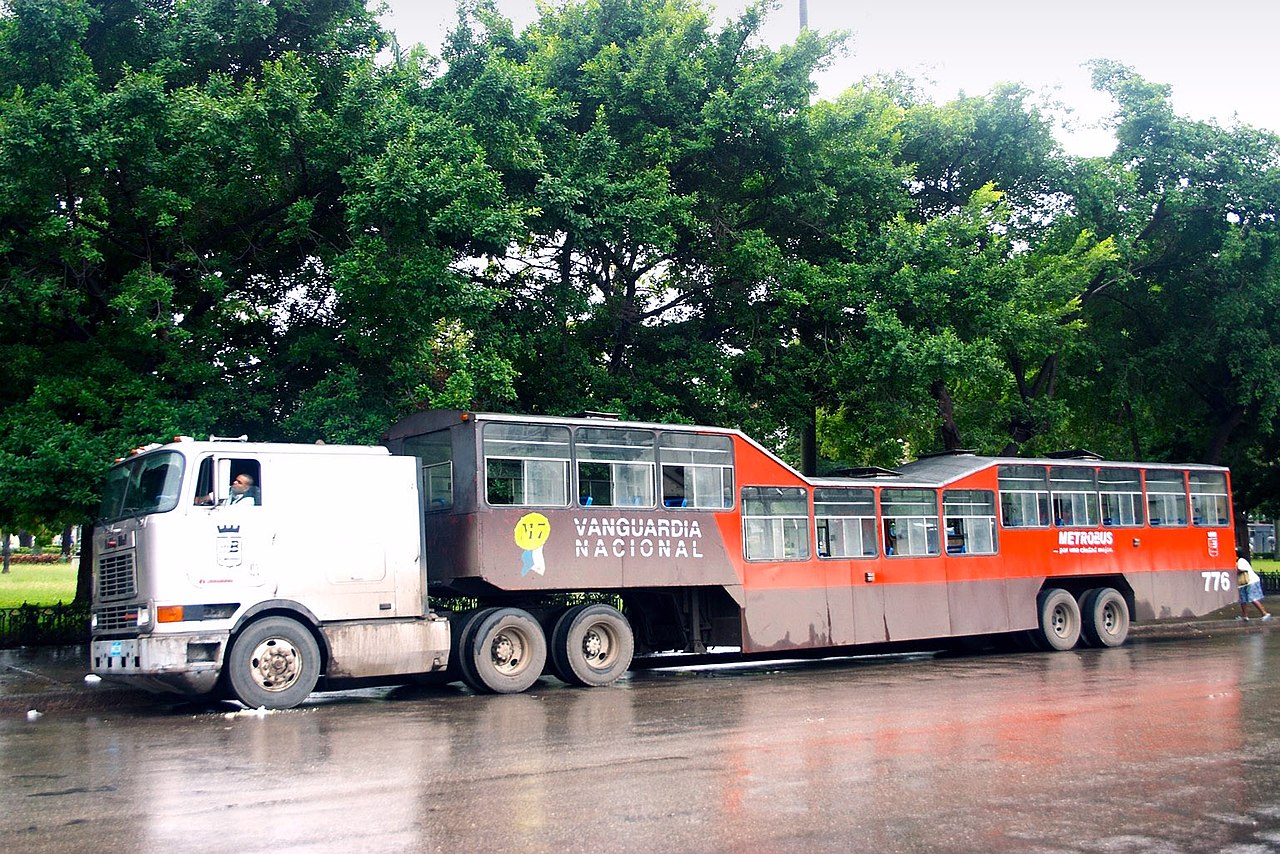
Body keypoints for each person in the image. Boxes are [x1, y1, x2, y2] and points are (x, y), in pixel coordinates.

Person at [1237, 550, 1272, 621]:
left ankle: (1265, 613)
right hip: (1242, 583)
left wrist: (1234, 568)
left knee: (1252, 598)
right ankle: (1245, 616)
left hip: (1250, 581)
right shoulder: (1239, 561)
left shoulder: (1241, 560)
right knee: (1243, 599)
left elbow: (1241, 569)